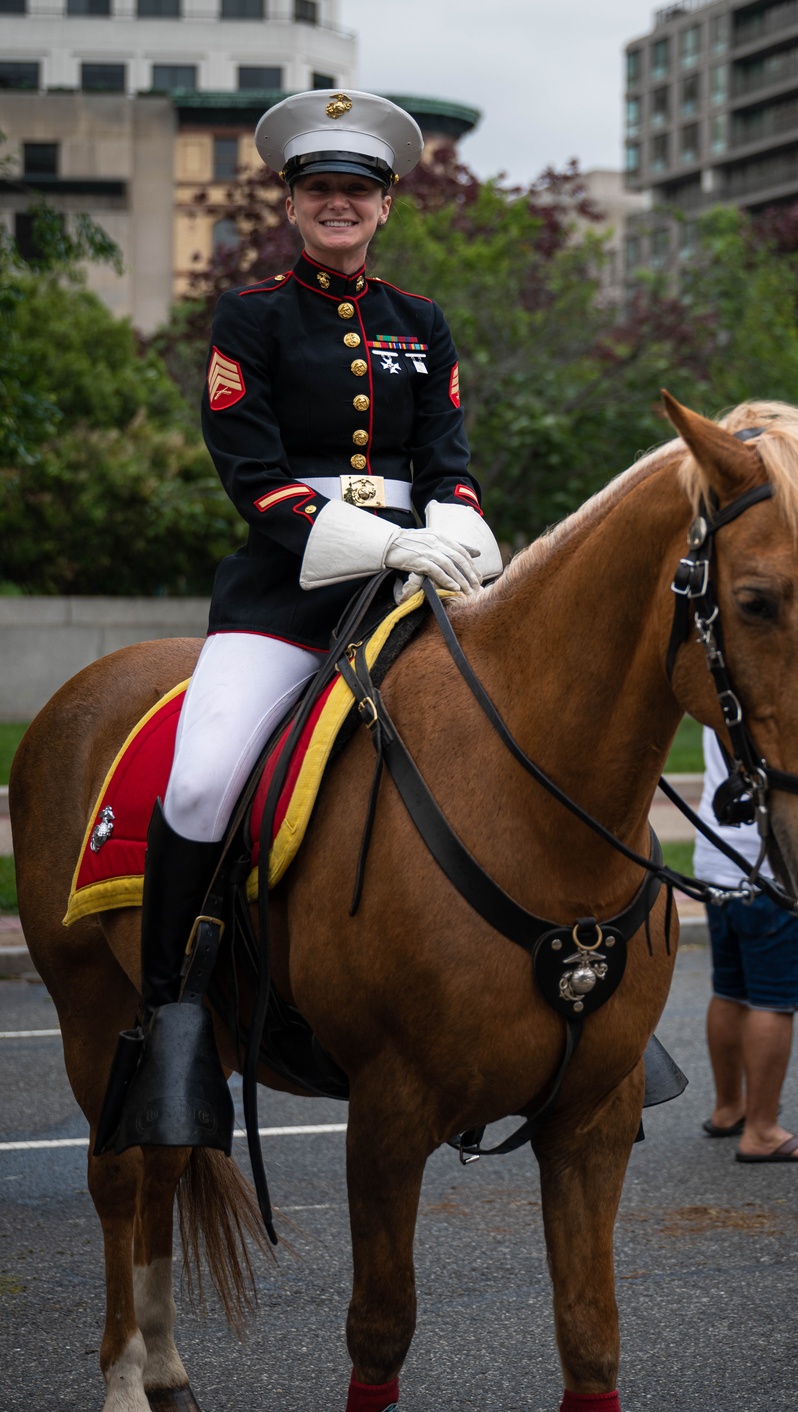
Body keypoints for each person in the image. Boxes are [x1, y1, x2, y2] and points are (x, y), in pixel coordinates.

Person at [100, 89, 502, 1157]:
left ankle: (572, 991)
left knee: (525, 733)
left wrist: (458, 532)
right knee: (199, 779)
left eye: (356, 192)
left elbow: (448, 463)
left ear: (384, 209)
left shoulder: (424, 324)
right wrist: (380, 538)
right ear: (291, 202)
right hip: (284, 594)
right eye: (318, 188)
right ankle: (171, 1018)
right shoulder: (252, 317)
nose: (338, 205)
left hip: (416, 592)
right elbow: (255, 477)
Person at [695, 728, 798, 1162]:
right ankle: (762, 1130)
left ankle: (728, 1108)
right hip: (776, 865)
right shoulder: (790, 690)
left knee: (730, 991)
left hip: (717, 857)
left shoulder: (724, 679)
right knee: (773, 1002)